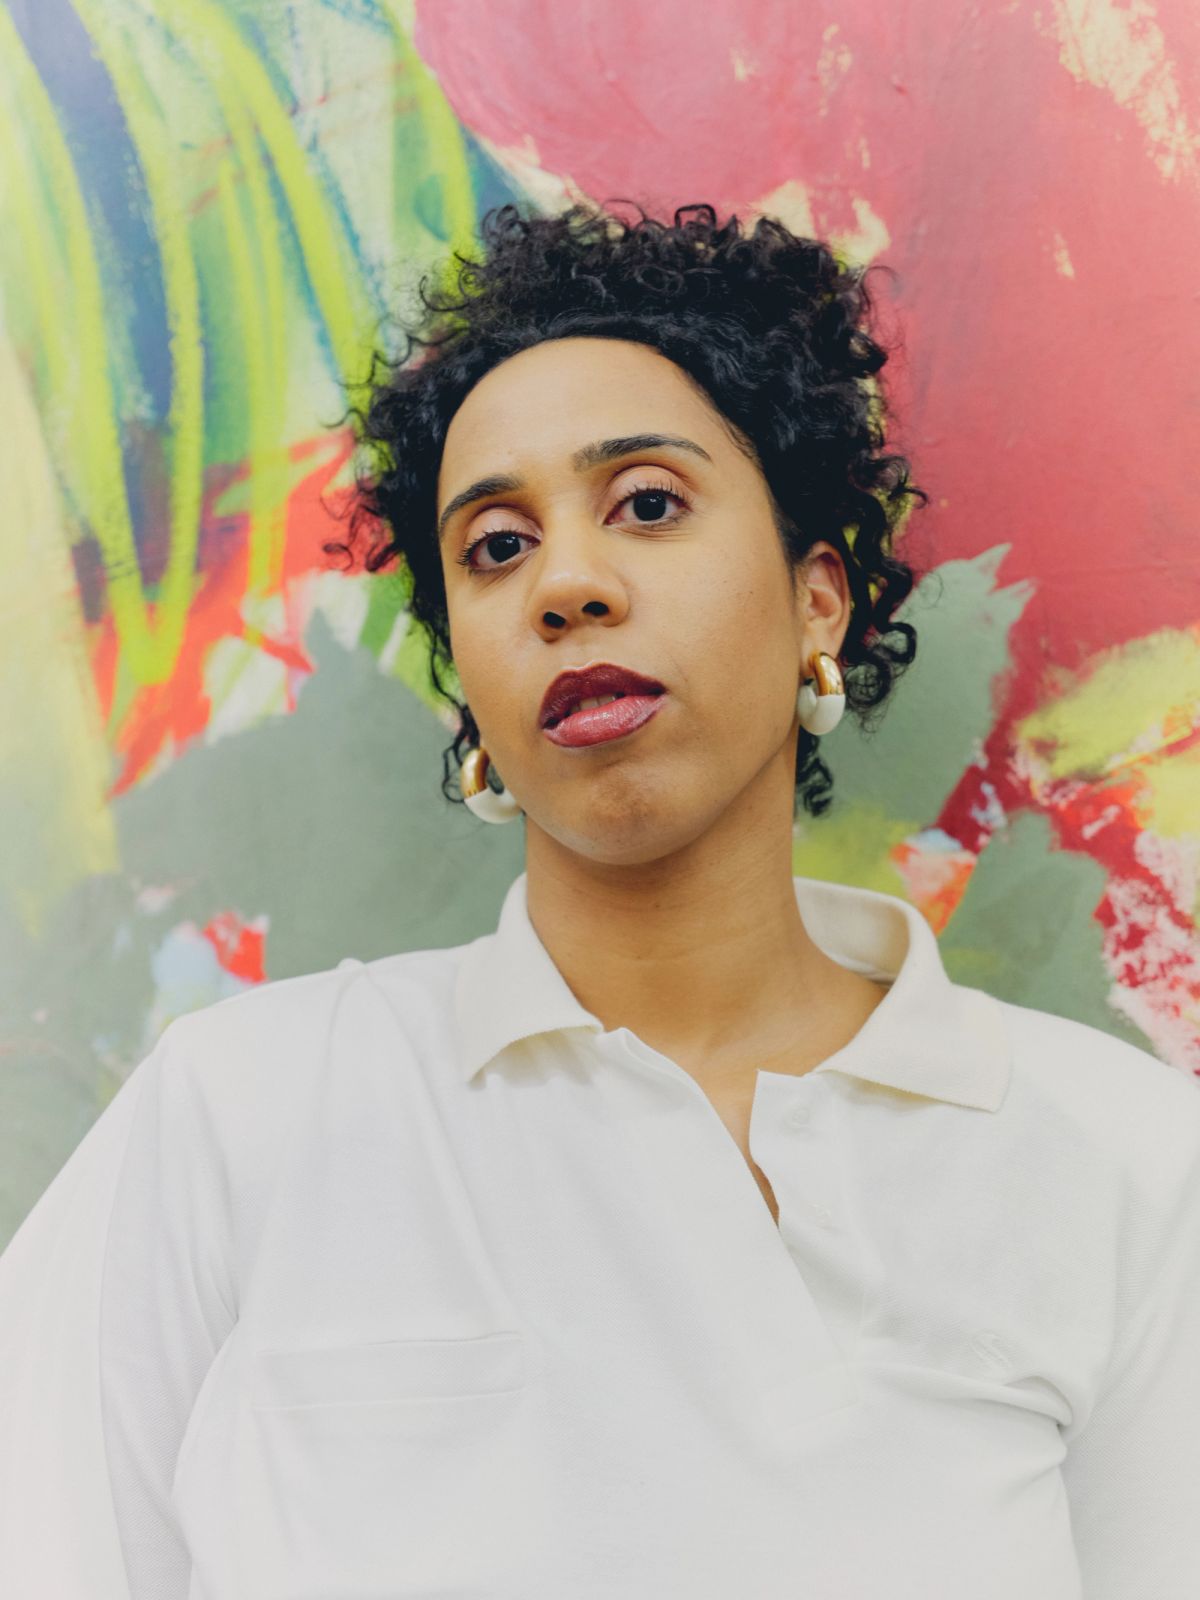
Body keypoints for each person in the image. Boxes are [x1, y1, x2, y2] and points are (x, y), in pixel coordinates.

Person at [1, 199, 1198, 1599]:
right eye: (495, 547)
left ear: (820, 601)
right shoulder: (238, 1121)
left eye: (646, 503)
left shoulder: (1124, 1163)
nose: (565, 583)